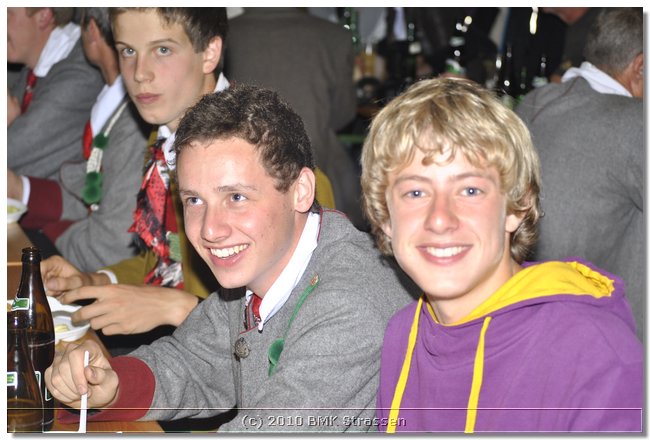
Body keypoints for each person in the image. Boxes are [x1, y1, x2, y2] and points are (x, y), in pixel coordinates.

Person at [45, 84, 416, 432]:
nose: (210, 229)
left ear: (301, 191)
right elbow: (197, 362)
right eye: (194, 200)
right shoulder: (263, 267)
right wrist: (110, 385)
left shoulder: (348, 306)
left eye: (236, 197)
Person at [360, 77, 642, 432]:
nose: (440, 219)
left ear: (516, 207)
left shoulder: (593, 354)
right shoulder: (402, 336)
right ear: (385, 218)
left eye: (470, 190)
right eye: (415, 193)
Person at [39, 7, 229, 347]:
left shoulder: (258, 159)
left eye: (162, 49)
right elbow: (165, 261)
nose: (140, 73)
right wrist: (95, 280)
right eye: (128, 51)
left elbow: (283, 332)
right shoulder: (162, 139)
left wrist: (176, 307)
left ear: (209, 53)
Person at [516, 8, 644, 340]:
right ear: (640, 67)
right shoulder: (637, 123)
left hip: (527, 312)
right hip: (607, 333)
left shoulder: (534, 102)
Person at [6, 7, 150, 272]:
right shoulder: (114, 104)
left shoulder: (132, 118)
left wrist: (48, 226)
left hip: (95, 263)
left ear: (92, 29)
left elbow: (110, 247)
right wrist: (22, 190)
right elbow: (89, 190)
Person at [225, 8, 363, 229]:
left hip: (239, 172)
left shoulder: (226, 33)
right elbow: (343, 114)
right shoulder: (336, 36)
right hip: (316, 170)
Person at [7, 7, 104, 179]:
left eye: (7, 14)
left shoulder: (80, 74)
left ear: (44, 15)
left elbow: (12, 150)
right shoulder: (33, 68)